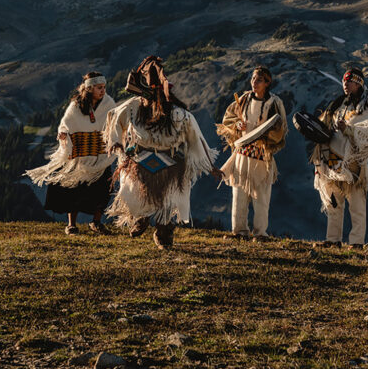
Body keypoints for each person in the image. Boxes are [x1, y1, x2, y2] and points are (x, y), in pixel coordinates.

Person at [103, 56, 220, 249]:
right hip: (140, 161)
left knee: (169, 199)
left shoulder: (179, 114)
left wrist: (210, 165)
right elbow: (114, 120)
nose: (151, 100)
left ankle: (164, 230)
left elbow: (196, 139)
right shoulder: (132, 107)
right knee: (132, 190)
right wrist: (116, 144)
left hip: (170, 164)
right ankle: (140, 217)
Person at [26, 72, 116, 235]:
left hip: (100, 154)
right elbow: (65, 125)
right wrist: (63, 134)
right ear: (89, 88)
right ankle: (71, 224)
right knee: (73, 188)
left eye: (104, 87)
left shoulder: (109, 103)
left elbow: (116, 123)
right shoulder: (76, 105)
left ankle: (96, 222)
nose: (103, 91)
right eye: (99, 88)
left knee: (103, 189)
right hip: (79, 154)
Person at [310, 68, 368, 248]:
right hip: (332, 160)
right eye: (344, 81)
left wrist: (348, 130)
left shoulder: (367, 107)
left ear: (359, 84)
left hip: (353, 164)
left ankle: (357, 242)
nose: (346, 85)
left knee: (356, 205)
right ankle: (333, 240)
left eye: (350, 82)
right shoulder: (338, 104)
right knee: (333, 203)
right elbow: (324, 127)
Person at [216, 66, 287, 241]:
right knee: (239, 195)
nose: (254, 82)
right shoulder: (244, 99)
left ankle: (260, 233)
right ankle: (239, 231)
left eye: (259, 80)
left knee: (261, 197)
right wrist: (237, 126)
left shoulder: (274, 103)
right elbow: (228, 118)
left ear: (267, 83)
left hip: (262, 156)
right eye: (253, 78)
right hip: (241, 154)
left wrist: (254, 129)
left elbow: (280, 130)